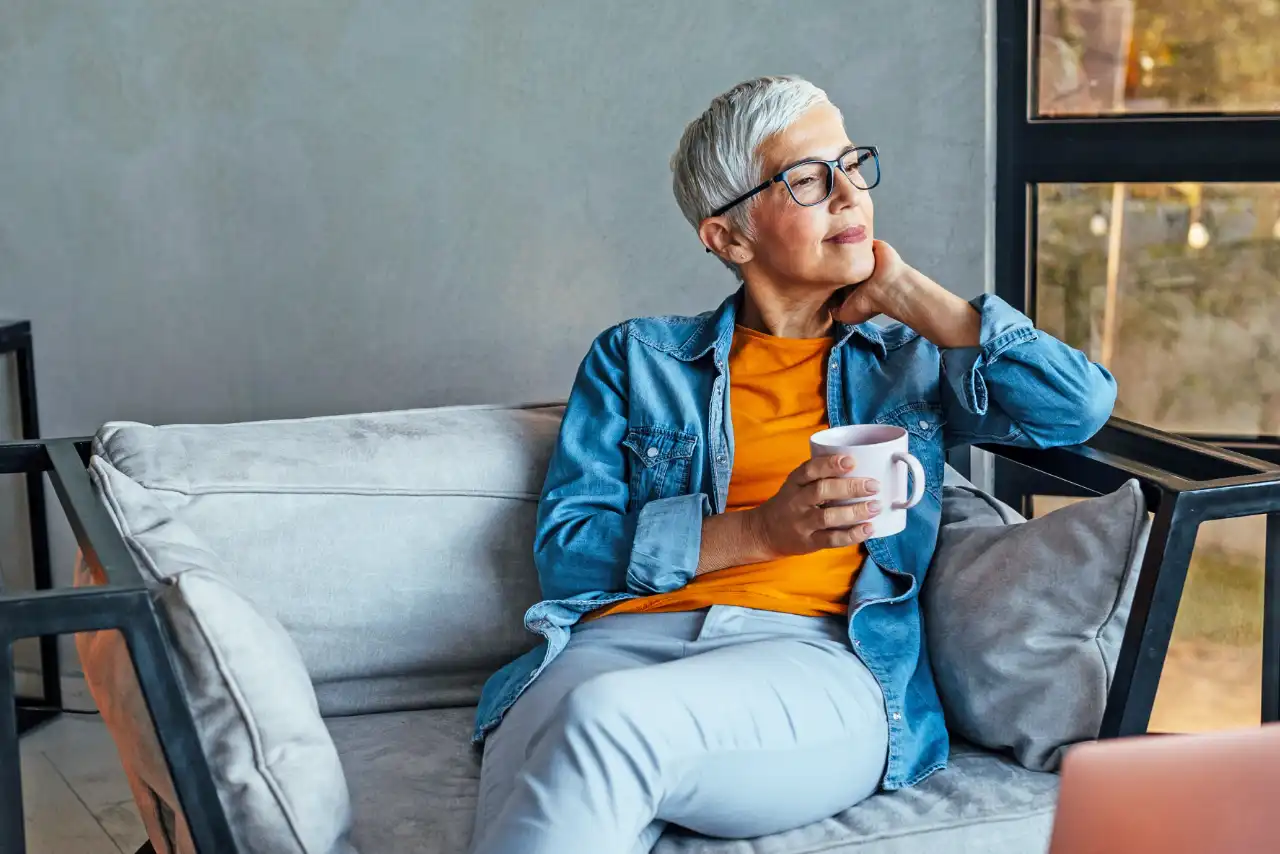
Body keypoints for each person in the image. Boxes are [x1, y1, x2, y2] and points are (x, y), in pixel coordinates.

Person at [468, 75, 1116, 854]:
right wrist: (760, 531)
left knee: (603, 725)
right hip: (609, 649)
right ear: (729, 238)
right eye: (808, 178)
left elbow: (1074, 407)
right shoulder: (636, 359)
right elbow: (567, 557)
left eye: (851, 163)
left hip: (814, 657)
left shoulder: (907, 360)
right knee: (551, 766)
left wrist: (911, 292)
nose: (848, 193)